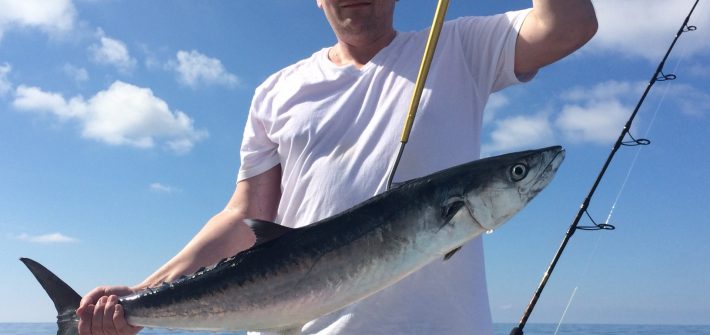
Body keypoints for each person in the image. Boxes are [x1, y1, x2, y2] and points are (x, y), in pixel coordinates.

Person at [76, 1, 597, 334]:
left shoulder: (458, 47)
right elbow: (245, 216)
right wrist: (140, 298)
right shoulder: (277, 91)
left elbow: (570, 23)